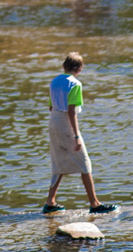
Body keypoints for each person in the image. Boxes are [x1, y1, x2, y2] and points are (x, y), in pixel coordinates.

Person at [43, 52, 116, 216]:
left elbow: (50, 106)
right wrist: (76, 136)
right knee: (84, 163)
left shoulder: (54, 81)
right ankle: (95, 203)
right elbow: (71, 111)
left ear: (64, 66)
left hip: (53, 121)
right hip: (65, 123)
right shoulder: (75, 84)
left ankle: (50, 202)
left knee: (58, 161)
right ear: (80, 69)